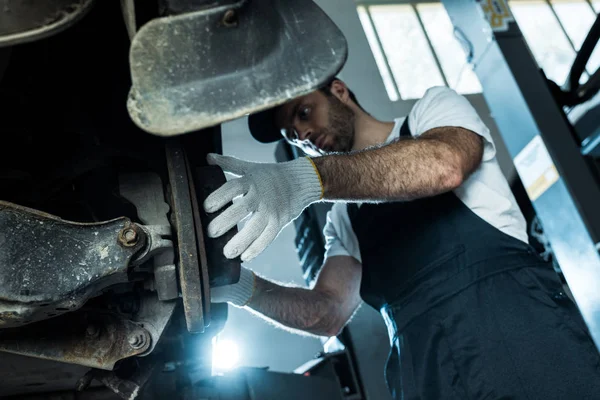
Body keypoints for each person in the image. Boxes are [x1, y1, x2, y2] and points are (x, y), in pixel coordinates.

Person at [203, 79, 600, 399]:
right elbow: (324, 314)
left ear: (339, 90)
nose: (303, 133)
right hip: (425, 368)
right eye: (292, 134)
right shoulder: (344, 216)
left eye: (304, 113)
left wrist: (311, 178)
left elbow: (444, 165)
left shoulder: (431, 113)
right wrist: (237, 287)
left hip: (515, 330)